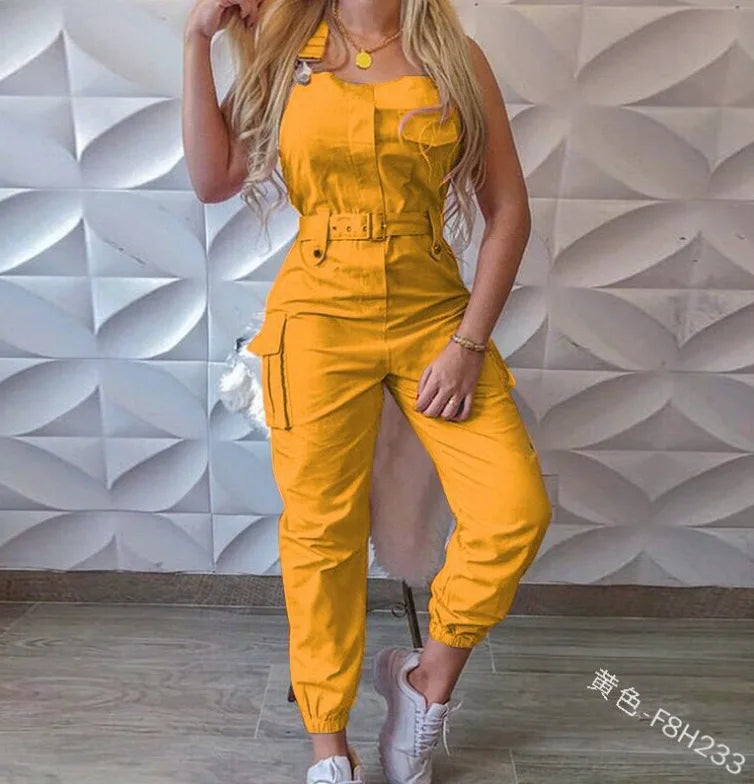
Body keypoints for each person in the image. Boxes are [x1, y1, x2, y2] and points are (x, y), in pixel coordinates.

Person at [183, 0, 553, 781]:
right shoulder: (286, 49)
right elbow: (214, 180)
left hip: (434, 314)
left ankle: (425, 682)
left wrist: (467, 345)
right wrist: (196, 42)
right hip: (318, 309)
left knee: (513, 509)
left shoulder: (456, 57)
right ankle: (330, 749)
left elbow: (509, 211)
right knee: (322, 534)